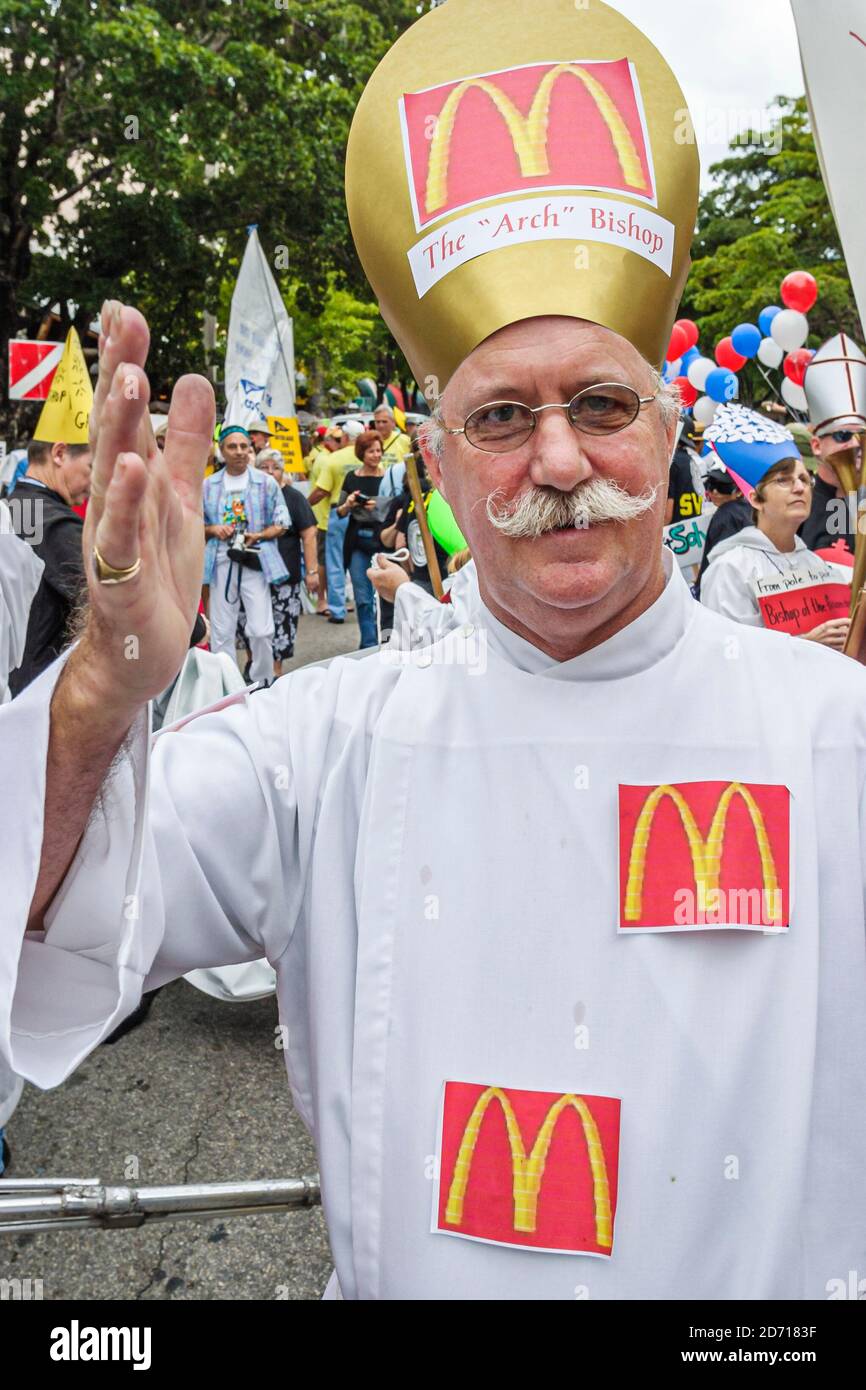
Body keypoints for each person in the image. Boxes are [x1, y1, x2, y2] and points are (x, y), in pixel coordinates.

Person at [2, 0, 865, 1303]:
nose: (560, 459)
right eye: (504, 416)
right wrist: (99, 691)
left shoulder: (833, 732)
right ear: (438, 454)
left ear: (670, 431)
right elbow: (44, 911)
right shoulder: (320, 740)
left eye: (600, 404)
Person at [700, 454, 850, 645]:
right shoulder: (730, 569)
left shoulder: (815, 563)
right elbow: (727, 648)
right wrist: (806, 644)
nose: (799, 488)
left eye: (804, 479)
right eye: (783, 480)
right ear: (756, 499)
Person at [202, 424, 288, 684]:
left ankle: (262, 680)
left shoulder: (266, 482)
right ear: (221, 450)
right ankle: (227, 688)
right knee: (221, 632)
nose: (239, 452)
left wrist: (259, 535)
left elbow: (282, 522)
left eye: (243, 446)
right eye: (232, 446)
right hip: (220, 562)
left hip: (254, 558)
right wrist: (212, 528)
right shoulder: (207, 485)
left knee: (261, 630)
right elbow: (193, 523)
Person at [7, 437, 92, 695]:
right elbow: (113, 595)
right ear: (59, 453)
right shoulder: (53, 524)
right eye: (92, 467)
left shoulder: (16, 505)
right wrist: (192, 628)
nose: (94, 483)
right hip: (36, 696)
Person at [252, 449, 318, 674]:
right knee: (251, 622)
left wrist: (312, 571)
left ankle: (275, 670)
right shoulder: (250, 495)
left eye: (276, 467)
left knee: (282, 622)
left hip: (285, 573)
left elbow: (309, 534)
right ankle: (253, 664)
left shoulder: (293, 497)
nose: (270, 472)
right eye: (264, 467)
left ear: (283, 471)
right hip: (253, 571)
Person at [799, 332, 866, 555]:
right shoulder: (797, 508)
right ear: (817, 445)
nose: (856, 444)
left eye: (862, 435)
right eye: (843, 435)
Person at [307, 420, 365, 624]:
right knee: (364, 559)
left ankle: (337, 609)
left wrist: (304, 507)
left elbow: (322, 490)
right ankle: (367, 604)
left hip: (338, 512)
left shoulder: (334, 459)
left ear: (346, 438)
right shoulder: (366, 457)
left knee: (335, 562)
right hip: (365, 513)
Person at [335, 430, 386, 648]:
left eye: (379, 451)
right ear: (361, 453)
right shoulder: (352, 478)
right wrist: (349, 504)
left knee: (383, 596)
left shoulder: (388, 477)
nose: (376, 455)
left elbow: (398, 507)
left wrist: (380, 504)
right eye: (371, 451)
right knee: (363, 596)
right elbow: (340, 511)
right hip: (357, 540)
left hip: (382, 540)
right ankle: (369, 644)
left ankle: (386, 639)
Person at [694, 467, 751, 593]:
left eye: (722, 487)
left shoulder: (726, 515)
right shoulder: (749, 510)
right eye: (710, 484)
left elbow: (720, 560)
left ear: (739, 491)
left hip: (722, 591)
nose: (714, 491)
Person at [307, 427, 341, 615]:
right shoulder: (325, 459)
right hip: (323, 518)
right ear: (327, 440)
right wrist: (304, 507)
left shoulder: (327, 457)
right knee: (323, 562)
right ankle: (322, 600)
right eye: (336, 439)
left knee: (331, 562)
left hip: (328, 517)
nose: (340, 442)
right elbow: (321, 490)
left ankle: (332, 600)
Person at [665, 438, 703, 524]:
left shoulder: (672, 463)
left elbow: (667, 515)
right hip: (694, 526)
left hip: (674, 531)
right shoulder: (695, 460)